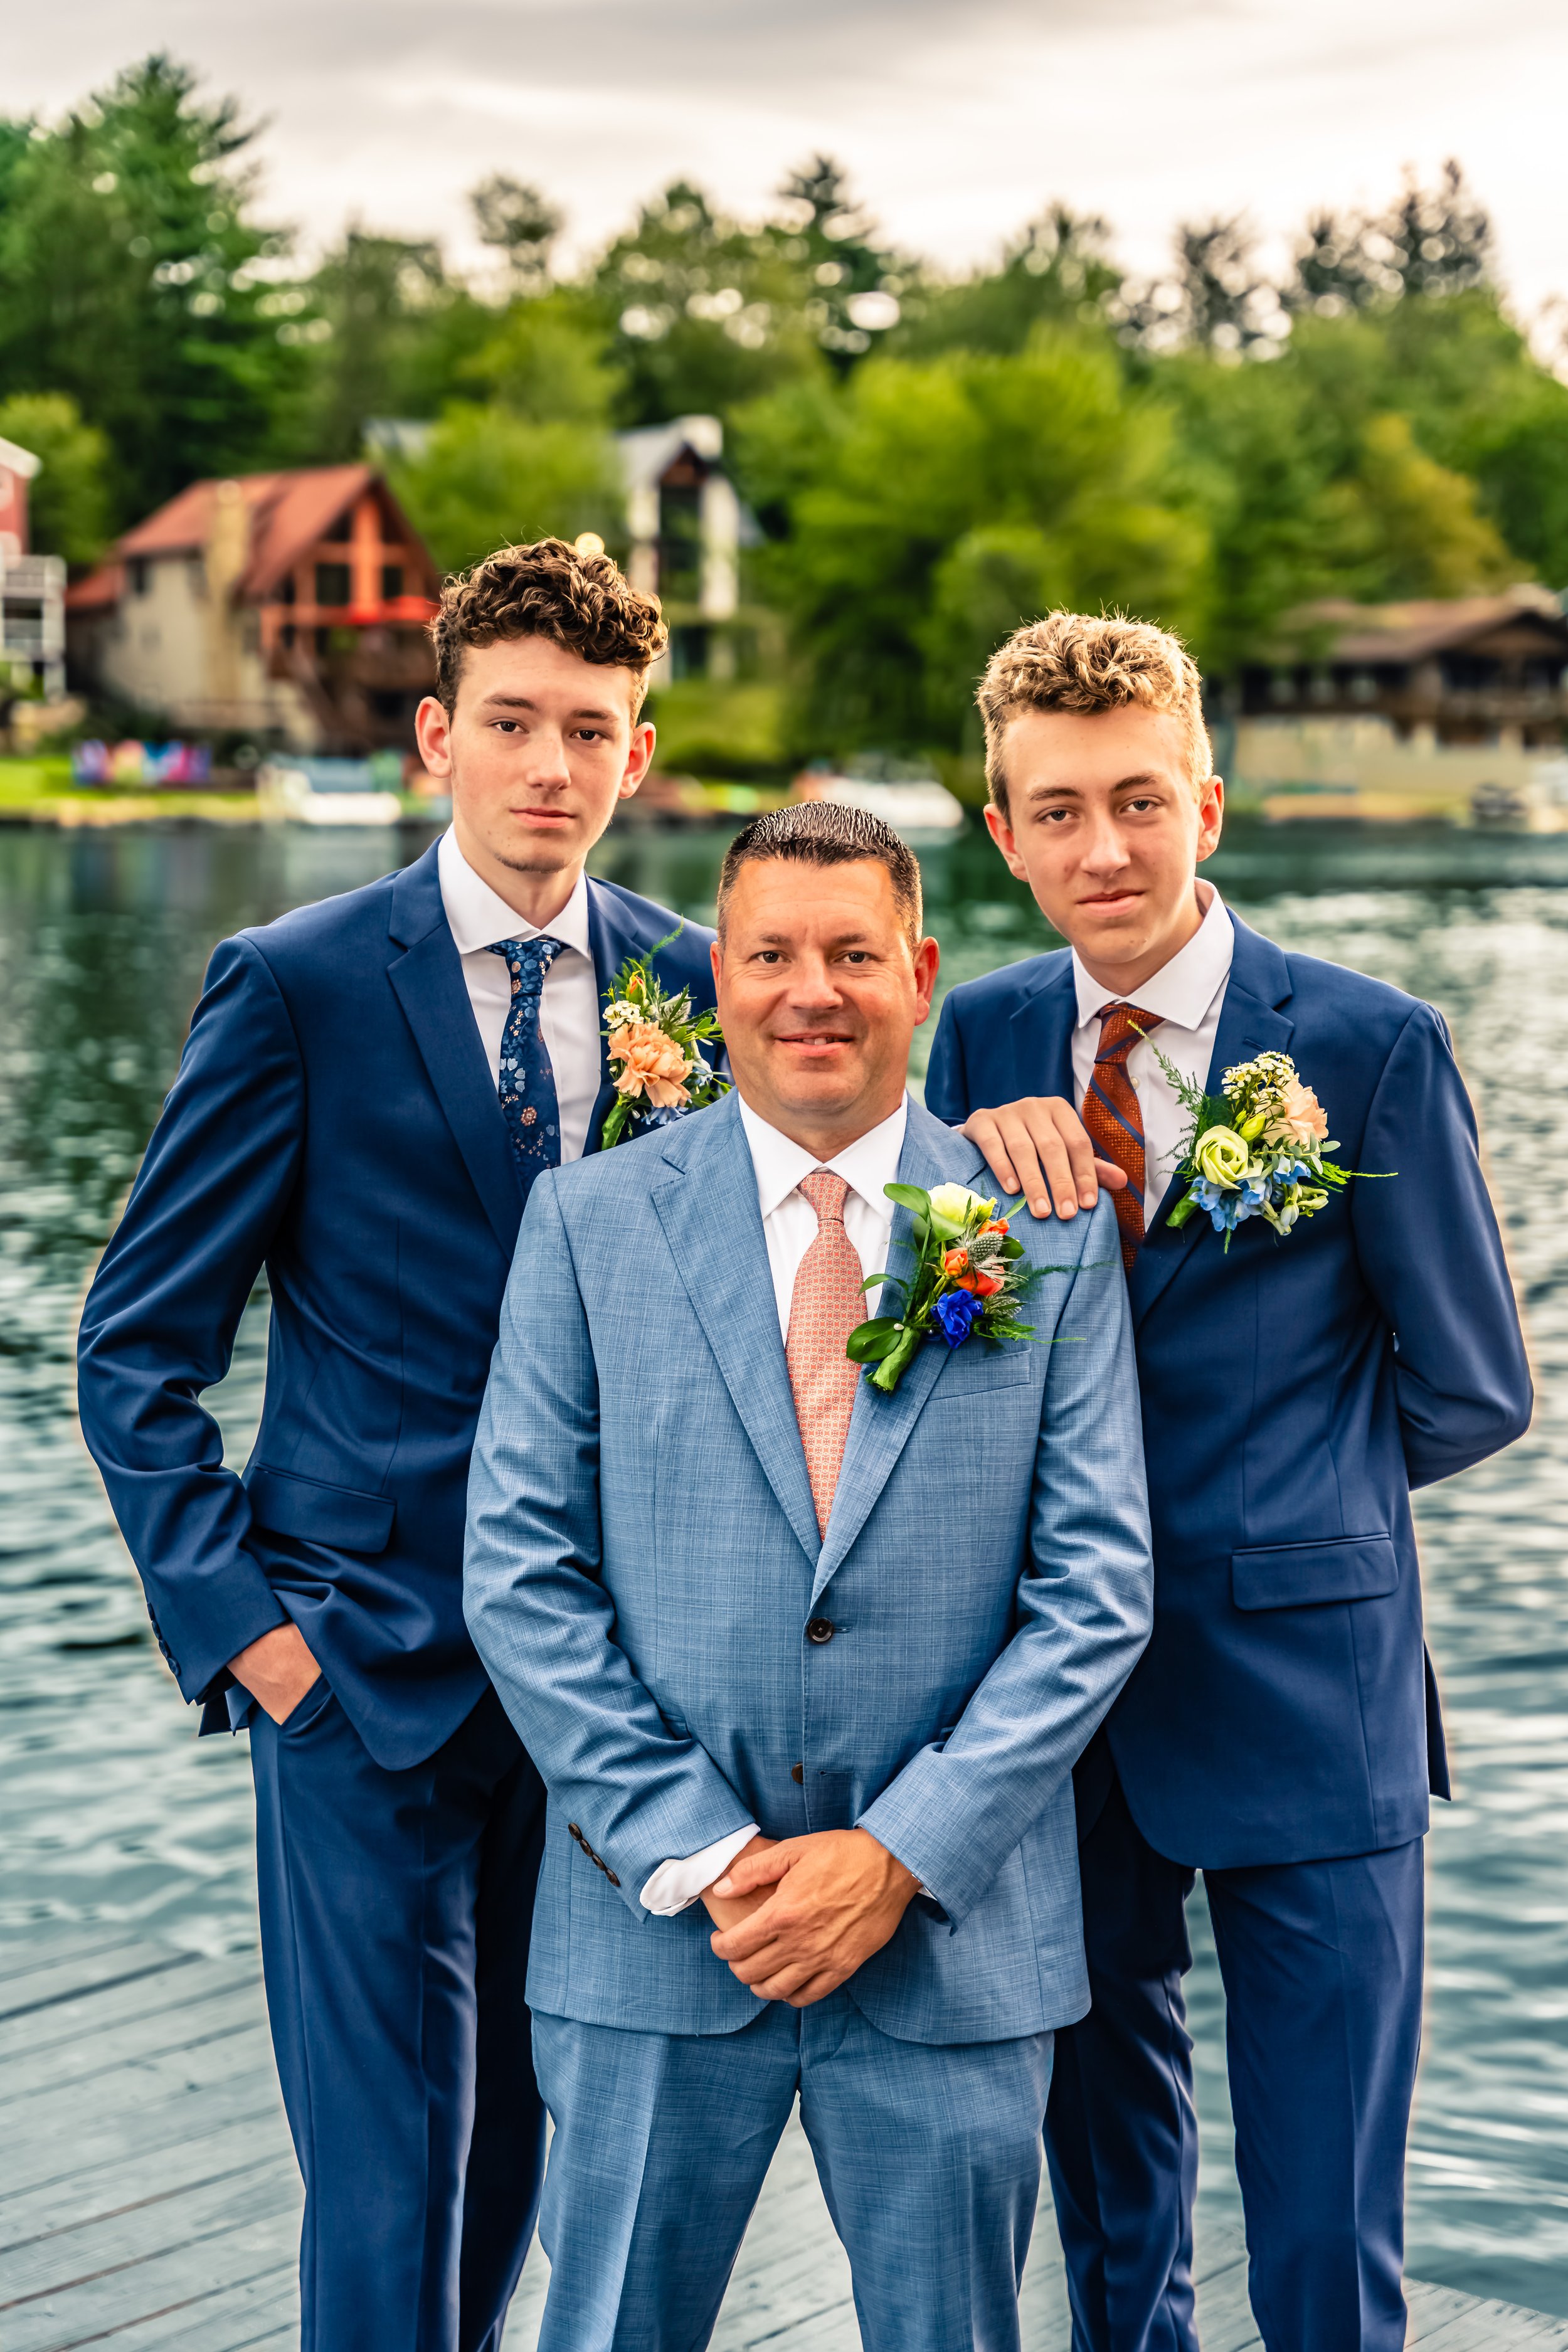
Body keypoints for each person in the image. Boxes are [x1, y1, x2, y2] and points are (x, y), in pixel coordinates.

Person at [75, 539, 719, 2352]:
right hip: (353, 1661)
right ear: (439, 732)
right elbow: (136, 1345)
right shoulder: (296, 984)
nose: (546, 767)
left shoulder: (692, 988)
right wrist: (249, 1635)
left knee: (521, 2135)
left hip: (605, 1683)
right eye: (509, 721)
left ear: (636, 757)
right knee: (384, 2175)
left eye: (585, 731)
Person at [462, 800, 1154, 2352]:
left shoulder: (1042, 1237)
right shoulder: (585, 1225)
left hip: (949, 1943)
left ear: (917, 972)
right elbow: (519, 1574)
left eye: (852, 953)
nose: (811, 991)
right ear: (717, 979)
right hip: (655, 1937)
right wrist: (710, 1857)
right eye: (770, 954)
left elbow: (1094, 1588)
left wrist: (896, 1855)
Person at [924, 610, 1534, 2352]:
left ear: (1206, 799)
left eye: (1134, 800)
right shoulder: (971, 1045)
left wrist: (1282, 1512)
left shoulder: (1360, 1043)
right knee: (1106, 2187)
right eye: (1054, 811)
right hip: (1053, 1703)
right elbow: (932, 1357)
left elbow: (1471, 1384)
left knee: (1320, 2202)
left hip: (1303, 1683)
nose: (1098, 848)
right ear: (1004, 833)